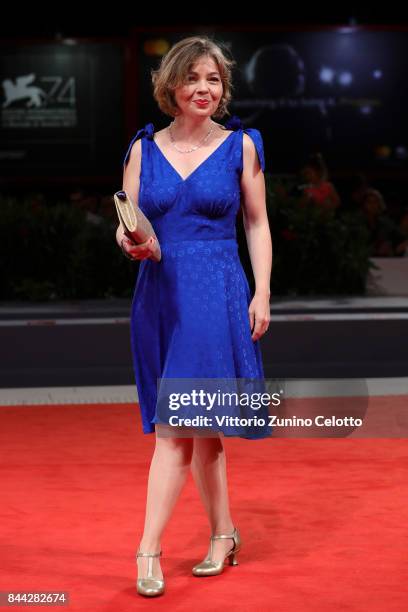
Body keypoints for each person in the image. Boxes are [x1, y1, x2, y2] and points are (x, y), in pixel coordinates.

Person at [115, 35, 272, 597]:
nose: (204, 89)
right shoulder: (142, 149)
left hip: (216, 295)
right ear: (172, 87)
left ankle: (148, 551)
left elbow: (256, 223)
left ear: (222, 88)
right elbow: (127, 218)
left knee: (175, 428)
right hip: (158, 295)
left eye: (214, 80)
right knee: (201, 432)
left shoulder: (241, 147)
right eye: (194, 79)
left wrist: (263, 292)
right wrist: (131, 240)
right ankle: (225, 534)